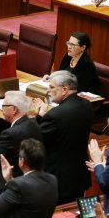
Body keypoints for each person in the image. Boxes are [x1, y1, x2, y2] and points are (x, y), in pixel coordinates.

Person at [33, 70, 93, 204]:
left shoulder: (55, 114)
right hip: (79, 174)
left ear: (64, 89)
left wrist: (39, 116)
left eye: (52, 87)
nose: (48, 91)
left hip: (59, 177)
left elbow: (37, 139)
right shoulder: (87, 105)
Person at [55, 31, 101, 95]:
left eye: (73, 45)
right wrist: (50, 78)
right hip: (66, 93)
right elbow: (60, 75)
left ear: (83, 48)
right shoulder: (68, 56)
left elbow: (77, 88)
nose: (69, 47)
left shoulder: (87, 65)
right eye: (69, 43)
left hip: (87, 99)